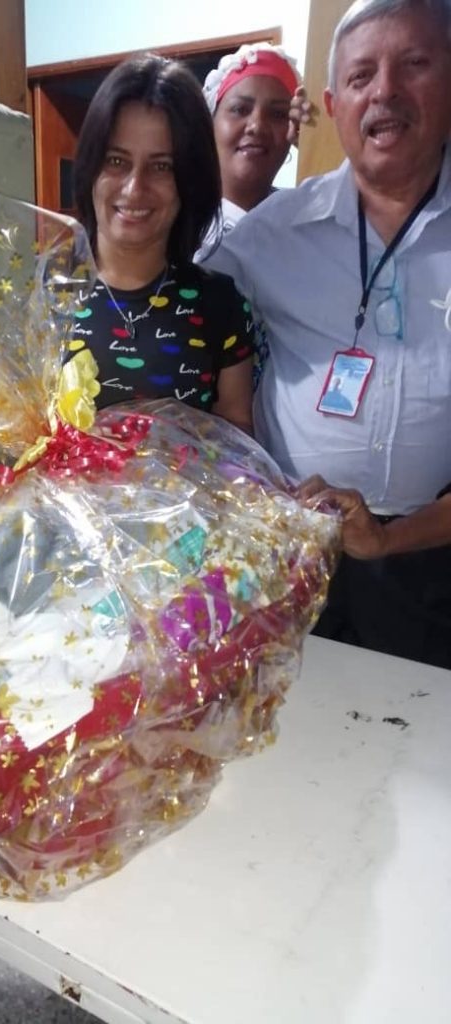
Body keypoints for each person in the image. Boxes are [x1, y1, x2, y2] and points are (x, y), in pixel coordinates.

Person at [205, 0, 451, 668]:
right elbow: (176, 307)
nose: (386, 91)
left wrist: (392, 540)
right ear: (335, 105)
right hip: (291, 553)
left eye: (414, 64)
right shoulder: (269, 235)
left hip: (433, 559)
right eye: (363, 75)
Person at [70, 53, 254, 435]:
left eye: (161, 167)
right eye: (116, 161)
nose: (134, 188)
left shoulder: (219, 304)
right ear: (90, 166)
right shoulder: (41, 295)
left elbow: (238, 440)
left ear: (189, 180)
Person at [201, 42, 310, 236]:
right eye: (240, 109)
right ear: (211, 120)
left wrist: (313, 144)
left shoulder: (307, 222)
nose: (257, 126)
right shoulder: (174, 222)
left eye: (278, 114)